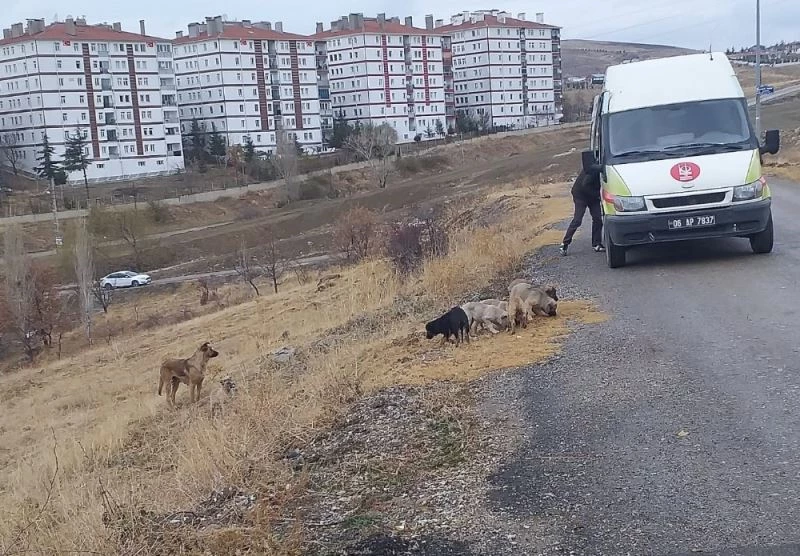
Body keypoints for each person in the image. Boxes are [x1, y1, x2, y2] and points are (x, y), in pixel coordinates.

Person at [559, 169, 604, 255]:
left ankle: (596, 244)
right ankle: (564, 244)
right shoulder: (593, 170)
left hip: (593, 196)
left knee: (597, 218)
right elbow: (585, 185)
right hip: (580, 195)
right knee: (577, 220)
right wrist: (598, 195)